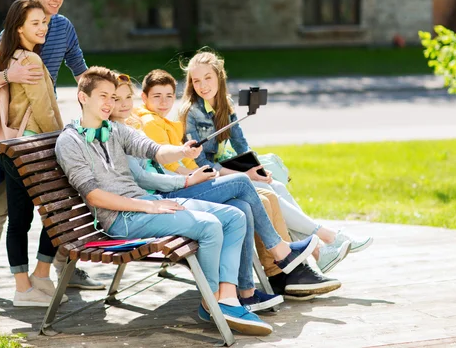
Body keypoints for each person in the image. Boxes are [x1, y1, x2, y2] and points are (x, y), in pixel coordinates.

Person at [56, 67, 322, 335]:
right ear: (82, 97)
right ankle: (213, 302)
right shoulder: (69, 141)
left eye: (113, 97)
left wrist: (182, 151)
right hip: (121, 219)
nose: (110, 104)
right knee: (209, 225)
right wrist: (149, 205)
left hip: (147, 205)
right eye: (104, 96)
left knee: (234, 216)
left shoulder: (114, 130)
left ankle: (227, 299)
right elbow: (93, 195)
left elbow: (155, 151)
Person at [118, 73, 342, 300]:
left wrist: (196, 173)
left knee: (249, 204)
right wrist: (188, 178)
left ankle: (248, 290)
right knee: (246, 185)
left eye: (128, 97)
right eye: (117, 99)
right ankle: (283, 258)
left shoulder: (138, 127)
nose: (124, 103)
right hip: (166, 196)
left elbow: (175, 161)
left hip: (177, 187)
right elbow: (150, 176)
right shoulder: (147, 125)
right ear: (144, 97)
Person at [0, 0, 101, 305]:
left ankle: (66, 270)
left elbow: (80, 70)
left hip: (45, 123)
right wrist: (12, 73)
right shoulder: (14, 31)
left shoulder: (63, 27)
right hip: (16, 131)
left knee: (59, 202)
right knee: (1, 208)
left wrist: (107, 94)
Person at [179, 49, 374, 277]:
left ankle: (321, 251)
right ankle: (328, 238)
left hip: (226, 170)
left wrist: (257, 168)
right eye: (196, 81)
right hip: (205, 179)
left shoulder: (224, 105)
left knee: (276, 186)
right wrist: (248, 175)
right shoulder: (191, 112)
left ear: (219, 77)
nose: (202, 85)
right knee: (268, 193)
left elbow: (241, 143)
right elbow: (202, 164)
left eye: (207, 78)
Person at [0, 0, 63, 306]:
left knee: (20, 218)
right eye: (35, 23)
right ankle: (34, 281)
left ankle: (29, 285)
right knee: (57, 214)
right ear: (19, 28)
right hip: (34, 150)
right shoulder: (29, 61)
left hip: (15, 151)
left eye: (44, 22)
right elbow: (44, 109)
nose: (43, 27)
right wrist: (64, 138)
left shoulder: (14, 57)